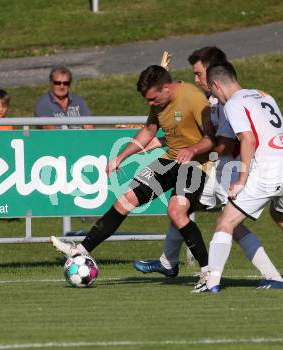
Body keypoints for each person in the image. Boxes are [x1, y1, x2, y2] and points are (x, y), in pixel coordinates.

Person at [133, 46, 283, 290]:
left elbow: (225, 144)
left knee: (226, 223)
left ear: (213, 73)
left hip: (227, 170)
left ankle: (263, 276)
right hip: (216, 169)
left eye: (198, 74)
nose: (195, 79)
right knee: (180, 208)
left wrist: (199, 152)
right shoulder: (212, 100)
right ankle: (169, 261)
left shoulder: (227, 103)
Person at [50, 65, 214, 281]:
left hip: (197, 162)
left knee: (176, 211)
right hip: (170, 159)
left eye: (153, 99)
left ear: (166, 88)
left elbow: (214, 138)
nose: (151, 104)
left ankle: (207, 272)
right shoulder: (157, 102)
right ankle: (80, 250)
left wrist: (192, 149)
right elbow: (148, 130)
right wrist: (121, 157)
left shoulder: (193, 98)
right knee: (125, 200)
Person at [198, 62, 283, 293]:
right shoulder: (263, 95)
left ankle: (212, 282)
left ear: (216, 85)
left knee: (225, 222)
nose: (214, 96)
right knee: (281, 215)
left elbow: (248, 140)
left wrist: (241, 179)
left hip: (270, 168)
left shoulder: (234, 104)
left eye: (212, 90)